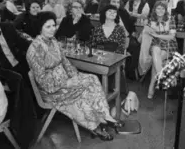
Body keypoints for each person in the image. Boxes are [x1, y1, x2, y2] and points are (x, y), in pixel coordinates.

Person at [26, 12, 122, 141]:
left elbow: (65, 62)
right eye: (48, 26)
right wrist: (66, 84)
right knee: (85, 88)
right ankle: (98, 124)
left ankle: (103, 118)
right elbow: (42, 80)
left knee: (91, 80)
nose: (53, 29)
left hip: (66, 81)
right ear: (40, 28)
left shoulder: (53, 41)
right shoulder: (35, 49)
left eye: (54, 25)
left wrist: (75, 77)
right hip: (52, 90)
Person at [141, 1, 178, 99]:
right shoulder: (151, 19)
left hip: (169, 44)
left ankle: (152, 84)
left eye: (162, 8)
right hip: (156, 43)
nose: (160, 10)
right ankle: (162, 76)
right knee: (155, 50)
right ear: (154, 9)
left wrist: (156, 34)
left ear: (166, 10)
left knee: (156, 59)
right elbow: (147, 30)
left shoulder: (171, 19)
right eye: (158, 8)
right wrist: (147, 29)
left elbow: (171, 37)